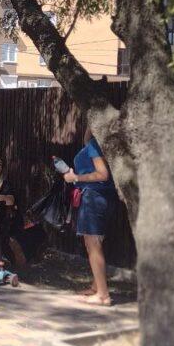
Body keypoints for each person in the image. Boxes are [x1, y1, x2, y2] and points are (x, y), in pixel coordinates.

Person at [65, 129, 117, 306]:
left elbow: (102, 174)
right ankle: (97, 287)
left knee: (93, 243)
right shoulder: (95, 143)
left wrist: (76, 177)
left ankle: (103, 295)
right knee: (95, 243)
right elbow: (86, 136)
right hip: (101, 197)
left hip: (94, 196)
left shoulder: (96, 144)